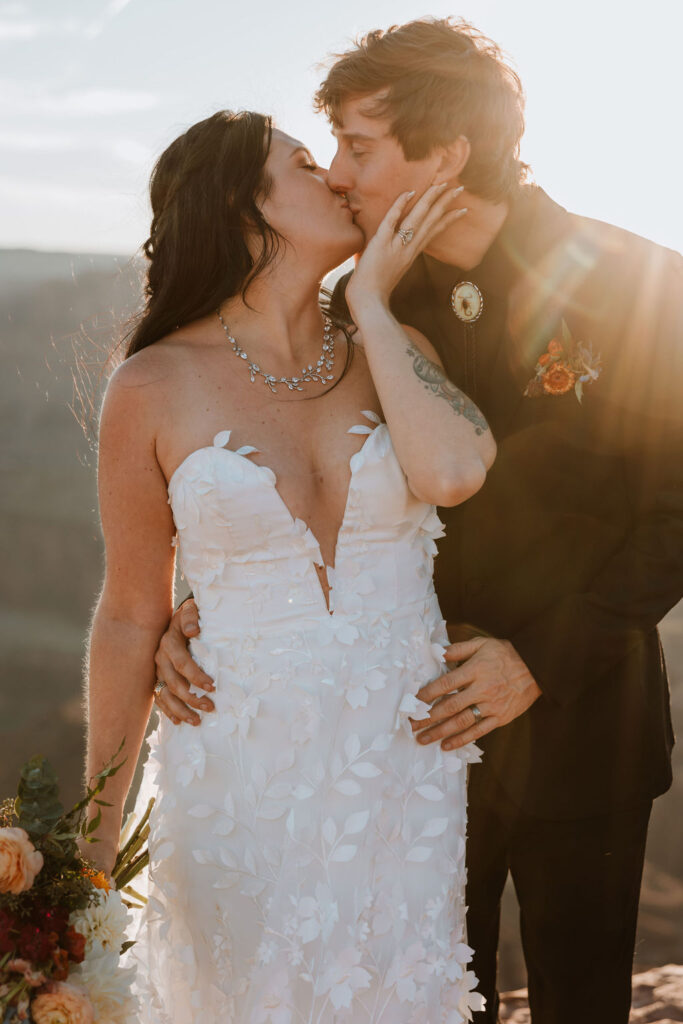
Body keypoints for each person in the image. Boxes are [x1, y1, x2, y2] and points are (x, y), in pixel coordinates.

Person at [155, 19, 683, 1024]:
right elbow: (303, 481)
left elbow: (671, 514)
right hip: (404, 734)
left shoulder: (634, 279)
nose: (340, 174)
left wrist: (535, 656)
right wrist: (210, 600)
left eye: (359, 146)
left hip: (587, 724)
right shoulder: (357, 312)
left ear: (448, 153)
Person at [82, 107, 497, 1022]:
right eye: (309, 165)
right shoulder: (150, 386)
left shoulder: (393, 355)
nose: (341, 179)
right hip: (237, 775)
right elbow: (127, 614)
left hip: (402, 773)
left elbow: (453, 472)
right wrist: (94, 849)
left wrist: (375, 306)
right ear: (244, 209)